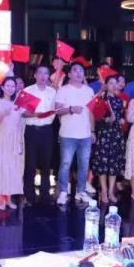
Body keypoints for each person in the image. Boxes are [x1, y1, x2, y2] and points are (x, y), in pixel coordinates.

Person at [55, 62, 95, 205]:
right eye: (75, 70)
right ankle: (63, 191)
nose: (79, 73)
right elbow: (57, 111)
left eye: (81, 71)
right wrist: (71, 109)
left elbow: (91, 112)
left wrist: (92, 131)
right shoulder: (63, 90)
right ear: (69, 74)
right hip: (68, 134)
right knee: (65, 164)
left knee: (84, 164)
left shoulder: (89, 90)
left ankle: (81, 191)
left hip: (85, 134)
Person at [0, 77, 25, 210]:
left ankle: (9, 198)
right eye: (8, 86)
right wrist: (3, 113)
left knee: (12, 167)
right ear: (2, 87)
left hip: (14, 139)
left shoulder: (17, 103)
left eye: (13, 86)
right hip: (1, 137)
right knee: (1, 166)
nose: (10, 88)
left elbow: (20, 122)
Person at [22, 64, 56, 206]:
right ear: (35, 75)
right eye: (40, 73)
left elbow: (55, 110)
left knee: (46, 164)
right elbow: (22, 113)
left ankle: (45, 196)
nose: (43, 76)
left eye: (46, 73)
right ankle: (29, 196)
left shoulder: (53, 92)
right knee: (30, 164)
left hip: (47, 130)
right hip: (32, 130)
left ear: (48, 76)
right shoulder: (27, 91)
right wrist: (35, 115)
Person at [90, 74, 125, 203]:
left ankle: (111, 191)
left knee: (114, 165)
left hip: (116, 135)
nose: (114, 85)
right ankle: (104, 190)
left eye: (116, 83)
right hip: (104, 134)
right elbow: (96, 118)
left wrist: (121, 120)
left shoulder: (119, 100)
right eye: (111, 83)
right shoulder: (100, 99)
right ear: (105, 85)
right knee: (103, 165)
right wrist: (107, 119)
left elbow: (122, 116)